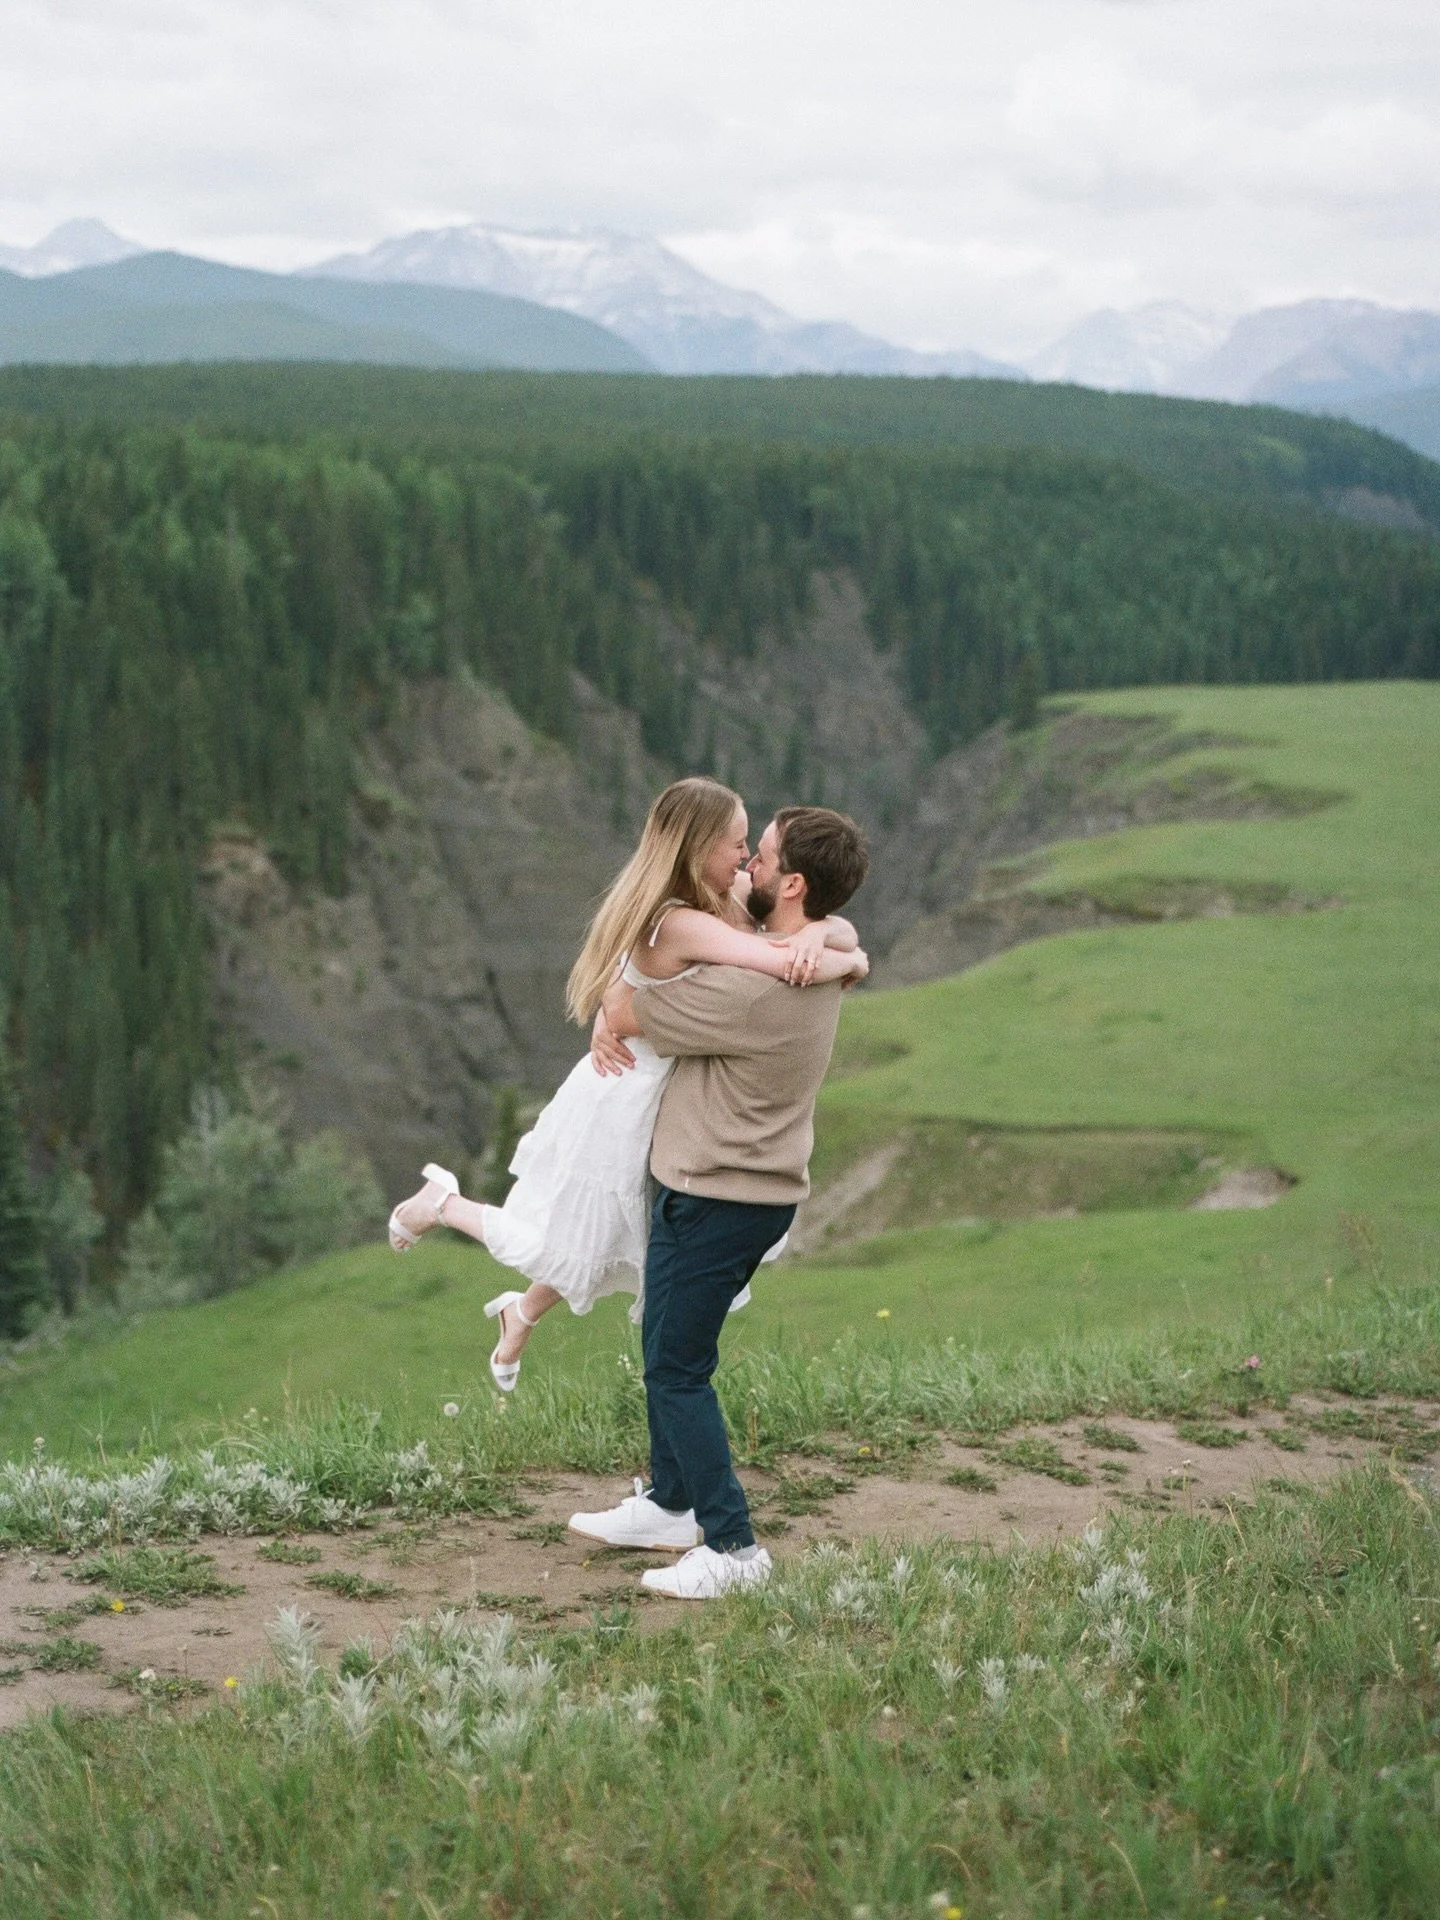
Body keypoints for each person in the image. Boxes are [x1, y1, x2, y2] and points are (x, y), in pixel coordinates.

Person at [386, 778, 867, 1390]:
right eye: (737, 846)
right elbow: (779, 964)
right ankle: (443, 1205)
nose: (746, 862)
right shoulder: (681, 922)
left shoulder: (729, 895)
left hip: (661, 1085)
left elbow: (830, 927)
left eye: (754, 850)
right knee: (569, 1239)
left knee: (612, 1238)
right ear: (699, 851)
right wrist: (847, 961)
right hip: (623, 1090)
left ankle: (520, 1313)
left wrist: (823, 933)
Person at [567, 804, 870, 1600]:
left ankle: (733, 1548)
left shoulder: (748, 991)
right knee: (666, 1348)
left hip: (713, 1197)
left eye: (759, 859)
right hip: (736, 1191)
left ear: (794, 883)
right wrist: (827, 939)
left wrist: (611, 1010)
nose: (746, 869)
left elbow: (628, 1013)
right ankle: (671, 1503)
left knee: (676, 1369)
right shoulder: (806, 955)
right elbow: (844, 943)